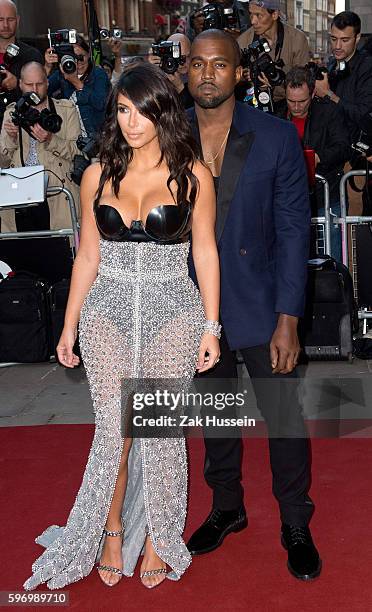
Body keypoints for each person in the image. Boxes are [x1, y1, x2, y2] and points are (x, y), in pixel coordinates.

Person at [23, 62, 220, 591]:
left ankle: (158, 533)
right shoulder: (97, 174)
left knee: (157, 428)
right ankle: (110, 528)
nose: (133, 123)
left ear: (163, 113)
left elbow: (204, 251)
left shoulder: (193, 174)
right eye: (124, 111)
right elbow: (86, 255)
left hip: (173, 312)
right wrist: (68, 326)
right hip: (106, 311)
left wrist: (211, 325)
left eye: (144, 112)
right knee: (114, 432)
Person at [186, 29, 321, 581]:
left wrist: (289, 319)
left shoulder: (274, 137)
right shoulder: (164, 137)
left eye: (220, 64)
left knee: (284, 420)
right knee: (216, 418)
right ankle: (227, 507)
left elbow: (295, 230)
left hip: (264, 304)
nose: (208, 74)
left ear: (239, 73)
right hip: (195, 308)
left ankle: (295, 522)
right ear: (186, 72)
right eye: (197, 64)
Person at [277, 66, 351, 261]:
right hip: (289, 200)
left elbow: (344, 147)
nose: (296, 107)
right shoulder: (278, 115)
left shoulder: (330, 113)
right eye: (291, 101)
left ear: (312, 93)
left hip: (325, 196)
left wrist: (319, 157)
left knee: (331, 254)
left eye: (302, 101)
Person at [0, 61, 81, 233]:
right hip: (20, 200)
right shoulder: (11, 113)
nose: (35, 90)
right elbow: (2, 162)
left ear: (48, 83)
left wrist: (52, 140)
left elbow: (80, 153)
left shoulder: (66, 111)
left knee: (59, 255)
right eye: (29, 84)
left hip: (57, 196)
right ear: (21, 84)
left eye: (39, 84)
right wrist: (11, 138)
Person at [237, 0, 310, 111]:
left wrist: (274, 87)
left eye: (258, 15)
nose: (253, 21)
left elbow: (302, 86)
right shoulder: (242, 42)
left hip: (288, 109)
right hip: (252, 107)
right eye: (251, 14)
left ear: (274, 14)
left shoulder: (297, 40)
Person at [314, 11, 372, 145]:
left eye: (345, 40)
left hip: (355, 154)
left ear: (357, 38)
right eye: (334, 39)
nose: (338, 46)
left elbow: (363, 116)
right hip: (330, 148)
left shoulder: (367, 68)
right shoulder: (331, 65)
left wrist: (329, 94)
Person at [45, 35, 110, 138]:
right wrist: (47, 68)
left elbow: (101, 103)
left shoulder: (98, 74)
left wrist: (76, 82)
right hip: (71, 137)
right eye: (73, 58)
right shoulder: (61, 75)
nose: (78, 63)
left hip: (96, 138)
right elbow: (41, 94)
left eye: (81, 57)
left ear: (89, 54)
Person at [0, 0, 43, 129]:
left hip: (22, 130)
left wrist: (17, 86)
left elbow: (41, 97)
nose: (6, 25)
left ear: (18, 20)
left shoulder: (31, 55)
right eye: (0, 19)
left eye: (10, 19)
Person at [148, 33, 194, 109]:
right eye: (179, 57)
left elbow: (194, 113)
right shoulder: (159, 75)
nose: (184, 62)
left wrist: (180, 87)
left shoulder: (199, 76)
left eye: (188, 56)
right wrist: (150, 71)